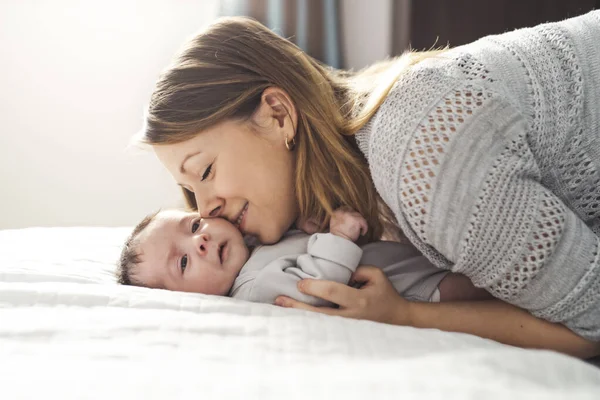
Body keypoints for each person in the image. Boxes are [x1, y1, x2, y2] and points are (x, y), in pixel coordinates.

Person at [136, 11, 600, 358]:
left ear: (278, 114)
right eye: (189, 193)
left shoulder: (421, 155)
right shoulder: (352, 198)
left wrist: (410, 317)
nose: (206, 210)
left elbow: (591, 319)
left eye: (206, 172)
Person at [116, 208, 490, 305]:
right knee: (487, 289)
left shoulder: (253, 248)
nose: (199, 241)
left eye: (194, 225)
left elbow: (296, 251)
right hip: (418, 290)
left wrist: (307, 228)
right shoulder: (254, 289)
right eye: (183, 263)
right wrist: (338, 237)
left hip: (411, 261)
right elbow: (312, 288)